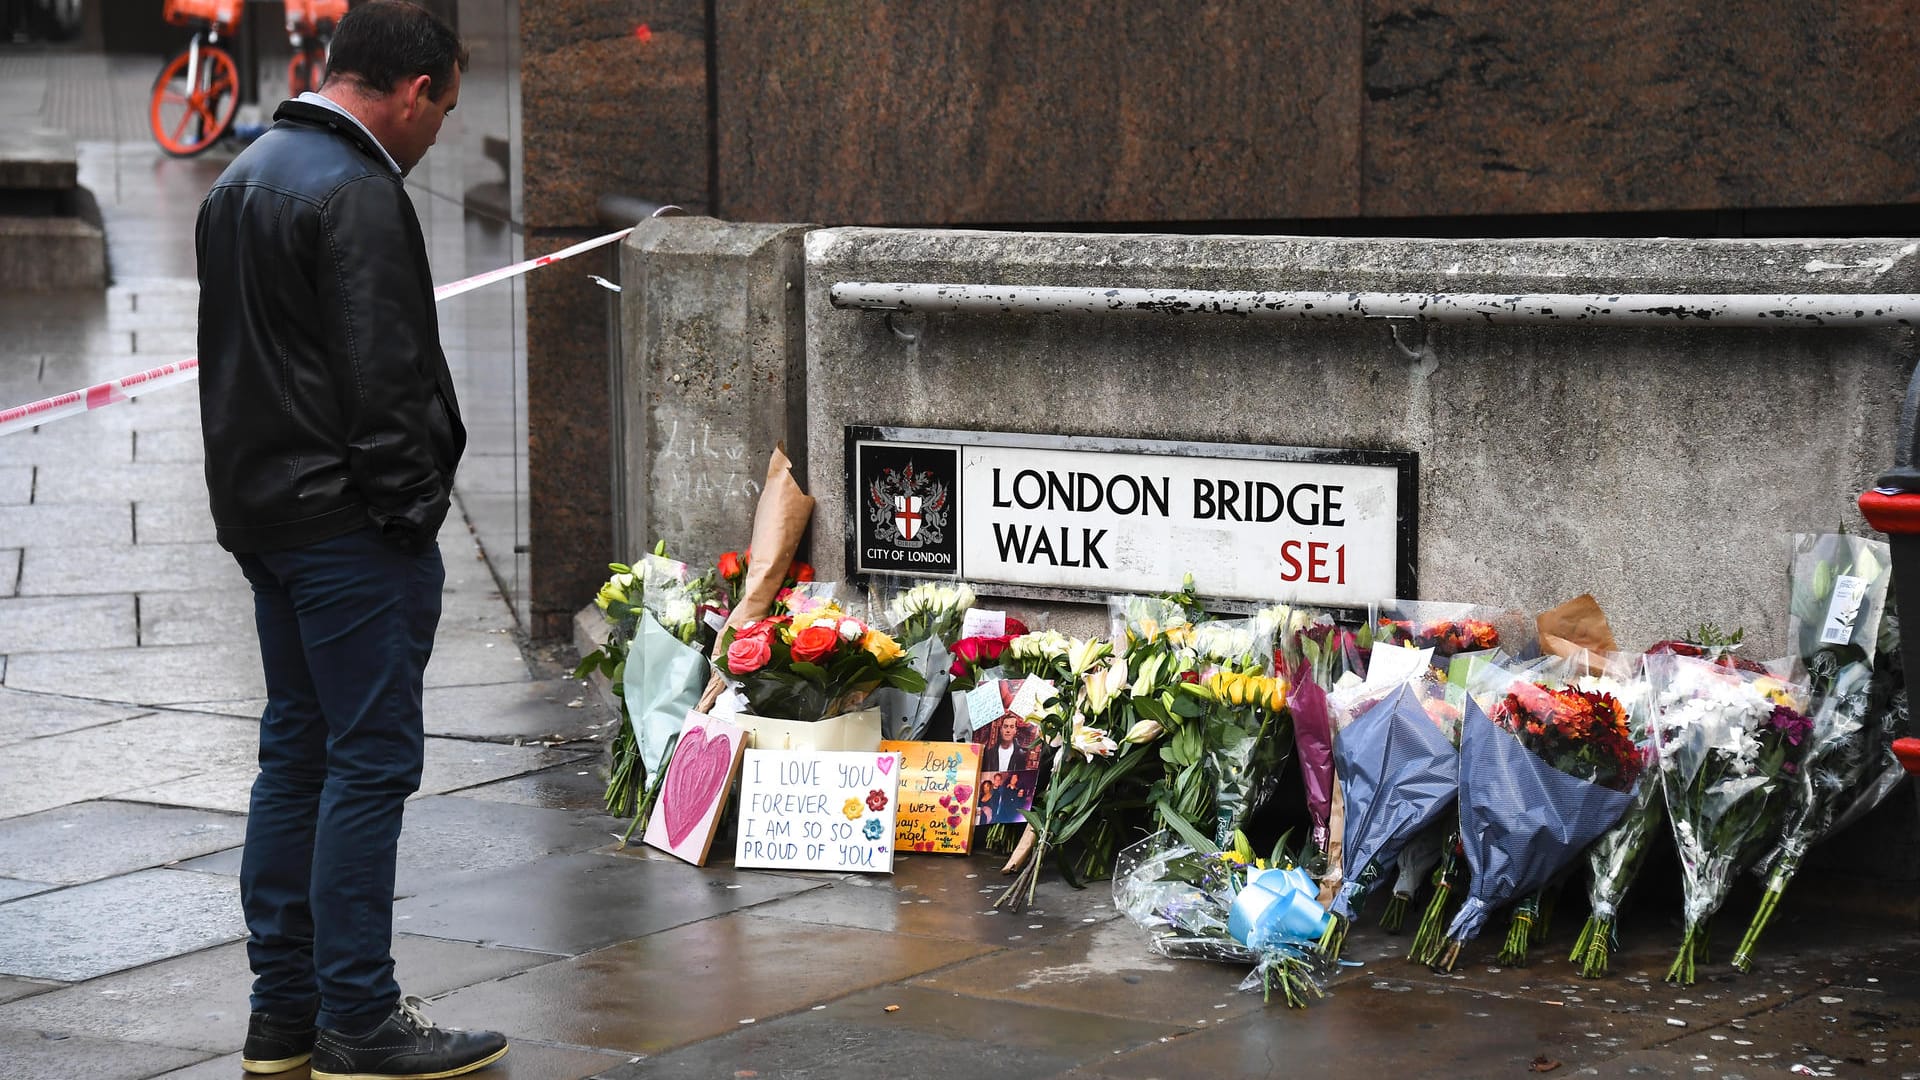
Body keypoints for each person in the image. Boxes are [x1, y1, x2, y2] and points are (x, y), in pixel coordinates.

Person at [195, 3, 507, 1077]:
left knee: (297, 754)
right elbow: (386, 384)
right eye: (447, 109)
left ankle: (284, 1015)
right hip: (346, 530)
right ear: (413, 90)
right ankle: (360, 1019)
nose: (440, 135)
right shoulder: (358, 192)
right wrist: (409, 513)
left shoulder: (247, 173)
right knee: (367, 766)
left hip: (268, 517)